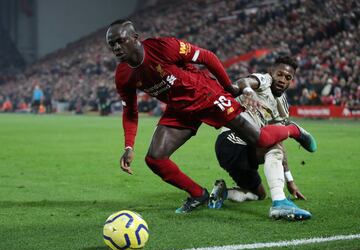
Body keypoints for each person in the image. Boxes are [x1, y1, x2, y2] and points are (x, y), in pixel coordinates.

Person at [106, 20, 317, 213]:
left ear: (135, 38)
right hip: (180, 108)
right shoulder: (123, 76)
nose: (116, 47)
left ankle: (294, 130)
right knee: (155, 159)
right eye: (112, 44)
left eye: (120, 41)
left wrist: (228, 87)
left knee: (259, 139)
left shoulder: (163, 47)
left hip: (207, 95)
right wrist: (128, 146)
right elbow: (130, 112)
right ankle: (198, 194)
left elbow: (207, 56)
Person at [209, 56, 311, 220]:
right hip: (232, 141)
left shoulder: (282, 106)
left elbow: (280, 143)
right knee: (273, 144)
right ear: (271, 72)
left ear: (291, 81)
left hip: (241, 151)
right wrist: (248, 91)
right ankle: (280, 204)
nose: (282, 80)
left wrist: (290, 181)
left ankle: (222, 193)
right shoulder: (264, 81)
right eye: (280, 74)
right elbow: (244, 82)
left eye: (288, 77)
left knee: (259, 194)